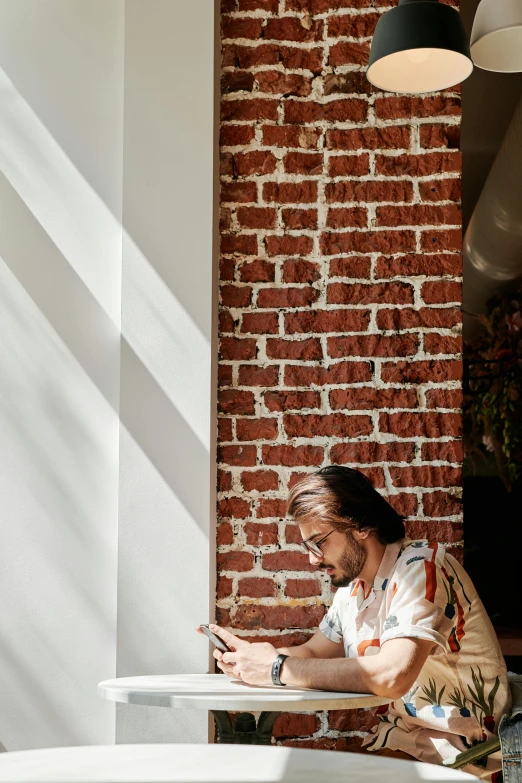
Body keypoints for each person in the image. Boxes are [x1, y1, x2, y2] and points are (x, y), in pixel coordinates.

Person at [203, 466, 510, 781]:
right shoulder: (352, 590)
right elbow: (311, 653)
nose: (312, 559)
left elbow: (393, 675)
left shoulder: (421, 569)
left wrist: (277, 669)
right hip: (398, 749)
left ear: (361, 524)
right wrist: (252, 657)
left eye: (319, 542)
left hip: (461, 760)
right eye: (307, 546)